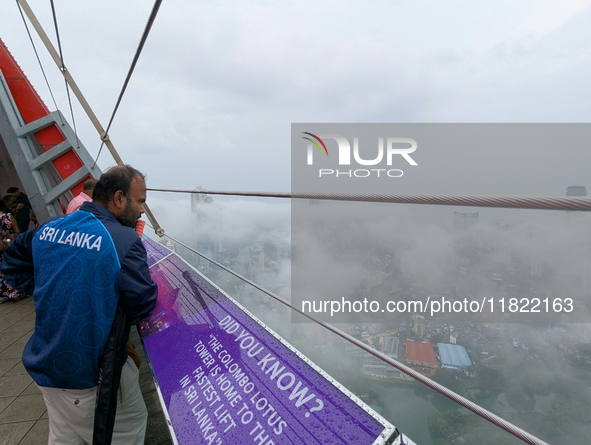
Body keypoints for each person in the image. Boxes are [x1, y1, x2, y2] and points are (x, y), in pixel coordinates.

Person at [0, 165, 158, 444]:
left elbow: (11, 261)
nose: (143, 210)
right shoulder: (124, 242)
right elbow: (141, 303)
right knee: (129, 428)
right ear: (120, 198)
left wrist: (51, 293)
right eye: (141, 201)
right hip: (90, 377)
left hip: (44, 364)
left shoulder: (49, 227)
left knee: (64, 435)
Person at [0, 199, 21, 303]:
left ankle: (4, 293)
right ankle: (15, 292)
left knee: (1, 271)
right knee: (12, 267)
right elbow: (17, 231)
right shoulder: (8, 216)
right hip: (9, 244)